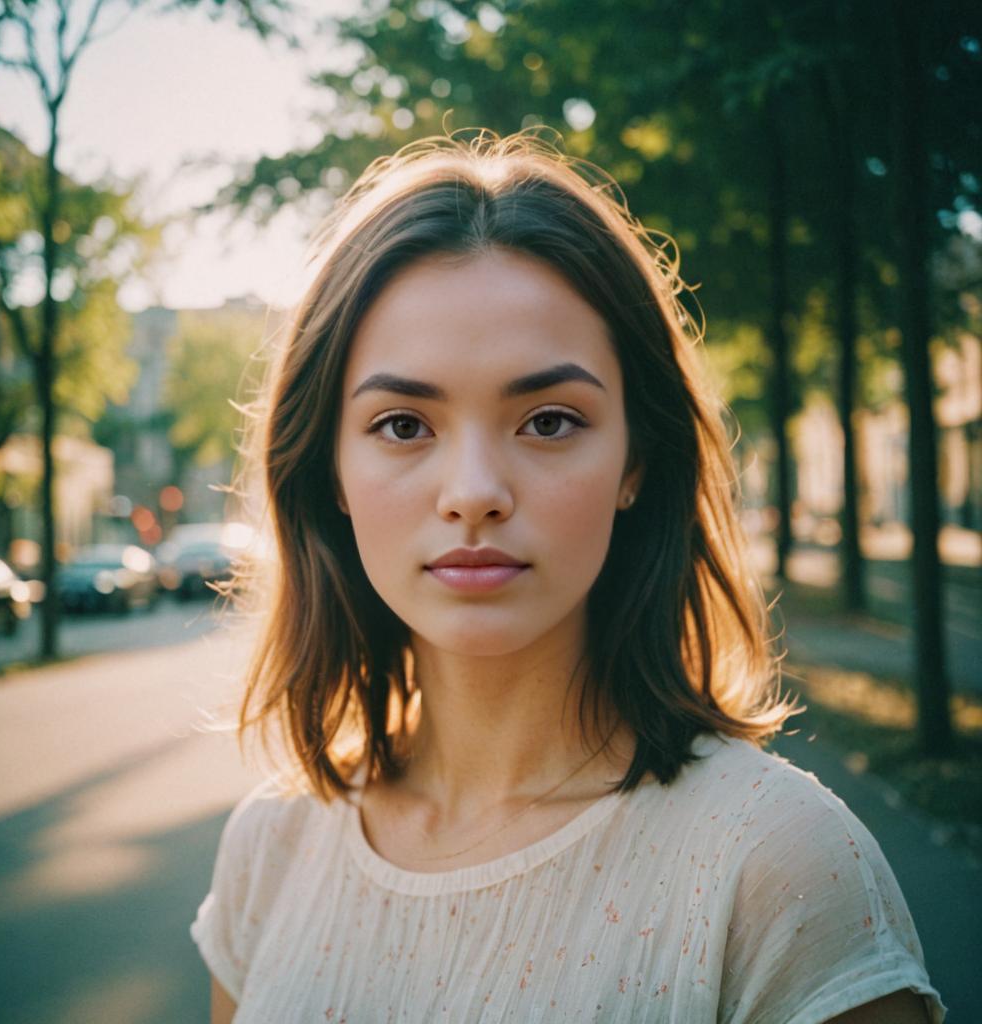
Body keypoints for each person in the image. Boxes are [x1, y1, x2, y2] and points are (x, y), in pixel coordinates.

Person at [190, 130, 944, 1023]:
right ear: (329, 474)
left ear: (636, 462)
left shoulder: (778, 869)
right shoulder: (269, 853)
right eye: (402, 425)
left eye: (548, 421)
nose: (474, 493)